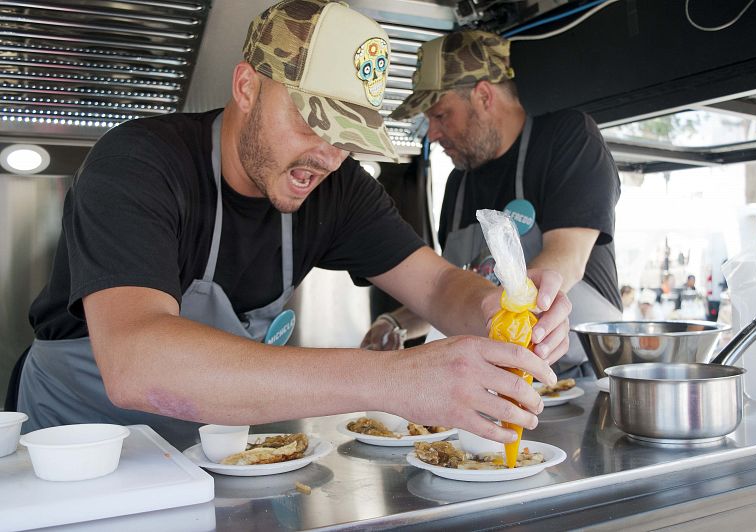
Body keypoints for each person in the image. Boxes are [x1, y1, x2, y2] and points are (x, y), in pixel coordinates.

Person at [13, 0, 572, 446]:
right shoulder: (138, 163)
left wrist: (498, 309)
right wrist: (396, 379)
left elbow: (438, 286)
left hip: (209, 451)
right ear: (247, 88)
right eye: (312, 122)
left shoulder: (338, 185)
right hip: (78, 449)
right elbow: (138, 363)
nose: (327, 156)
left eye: (347, 136)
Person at [362, 30, 622, 379]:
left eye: (440, 115)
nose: (432, 133)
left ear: (484, 96)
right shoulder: (459, 182)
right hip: (501, 376)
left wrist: (517, 317)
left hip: (581, 377)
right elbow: (450, 290)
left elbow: (566, 260)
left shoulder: (567, 139)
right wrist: (396, 323)